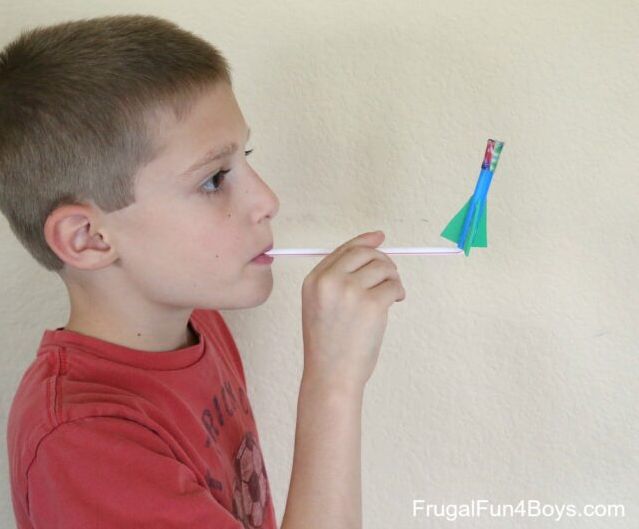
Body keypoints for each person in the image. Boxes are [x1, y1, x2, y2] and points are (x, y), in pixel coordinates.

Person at [1, 14, 406, 529]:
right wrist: (334, 383)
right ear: (88, 238)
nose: (267, 201)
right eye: (215, 179)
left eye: (246, 157)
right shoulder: (85, 442)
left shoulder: (199, 324)